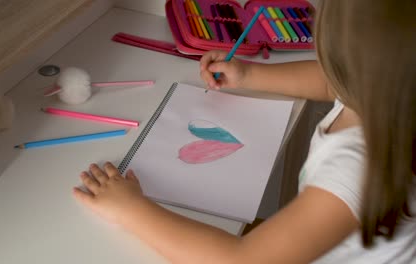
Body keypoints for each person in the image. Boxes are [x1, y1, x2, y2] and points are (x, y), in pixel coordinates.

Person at [72, 0, 416, 263]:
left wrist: (132, 210)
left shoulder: (355, 170)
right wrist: (250, 75)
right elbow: (331, 82)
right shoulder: (390, 97)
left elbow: (243, 260)